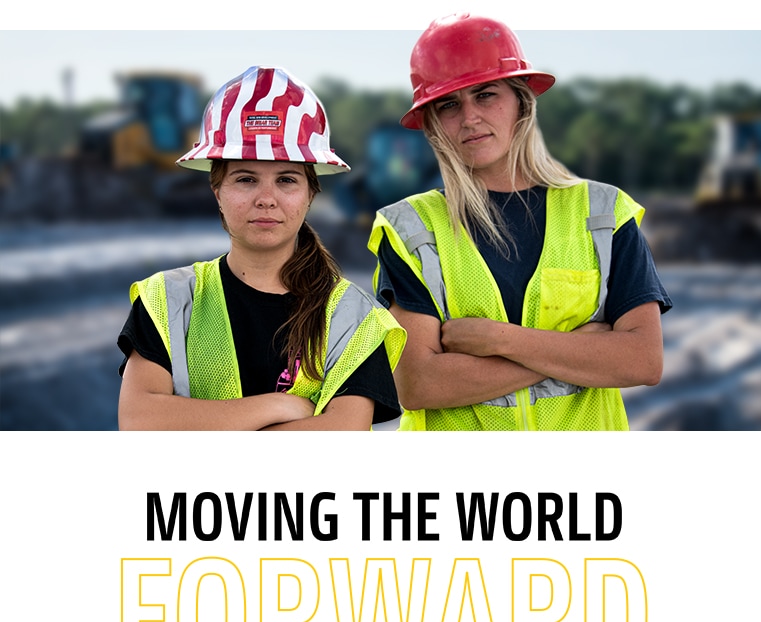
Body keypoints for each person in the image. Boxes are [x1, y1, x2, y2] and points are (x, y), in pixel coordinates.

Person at [367, 13, 672, 431]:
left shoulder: (602, 213)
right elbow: (418, 384)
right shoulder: (413, 229)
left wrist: (500, 341)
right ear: (433, 123)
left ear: (521, 101)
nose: (470, 117)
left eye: (486, 95)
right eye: (450, 104)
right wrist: (582, 350)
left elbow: (642, 360)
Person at [118, 66, 405, 430]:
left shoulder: (351, 316)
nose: (266, 199)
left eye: (286, 180)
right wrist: (279, 406)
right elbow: (139, 423)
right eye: (245, 179)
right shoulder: (167, 300)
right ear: (217, 191)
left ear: (310, 194)